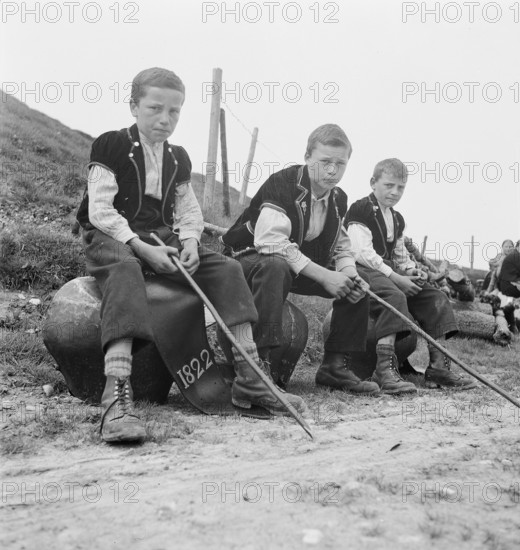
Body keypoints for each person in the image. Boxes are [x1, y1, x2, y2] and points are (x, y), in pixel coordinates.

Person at [76, 67, 305, 443]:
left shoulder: (178, 157)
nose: (165, 119)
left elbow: (188, 213)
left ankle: (249, 378)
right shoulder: (110, 145)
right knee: (124, 269)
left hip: (159, 234)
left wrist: (189, 243)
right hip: (112, 234)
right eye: (154, 109)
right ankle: (115, 394)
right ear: (134, 106)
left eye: (175, 111)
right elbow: (101, 211)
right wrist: (141, 247)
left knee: (227, 268)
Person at [222, 124, 380, 395]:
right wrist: (325, 276)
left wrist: (347, 271)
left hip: (293, 263)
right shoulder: (283, 183)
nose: (332, 170)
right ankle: (258, 368)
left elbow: (342, 244)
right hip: (246, 260)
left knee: (359, 283)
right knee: (275, 265)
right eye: (324, 162)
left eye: (340, 164)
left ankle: (334, 366)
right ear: (307, 157)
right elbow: (271, 243)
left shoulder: (339, 198)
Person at [346, 158, 477, 394]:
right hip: (361, 269)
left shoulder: (396, 218)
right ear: (373, 183)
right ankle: (384, 370)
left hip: (388, 271)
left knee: (435, 297)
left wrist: (410, 270)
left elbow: (398, 253)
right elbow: (362, 253)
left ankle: (438, 368)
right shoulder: (361, 209)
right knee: (395, 296)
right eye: (389, 185)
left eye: (400, 187)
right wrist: (397, 278)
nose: (395, 192)